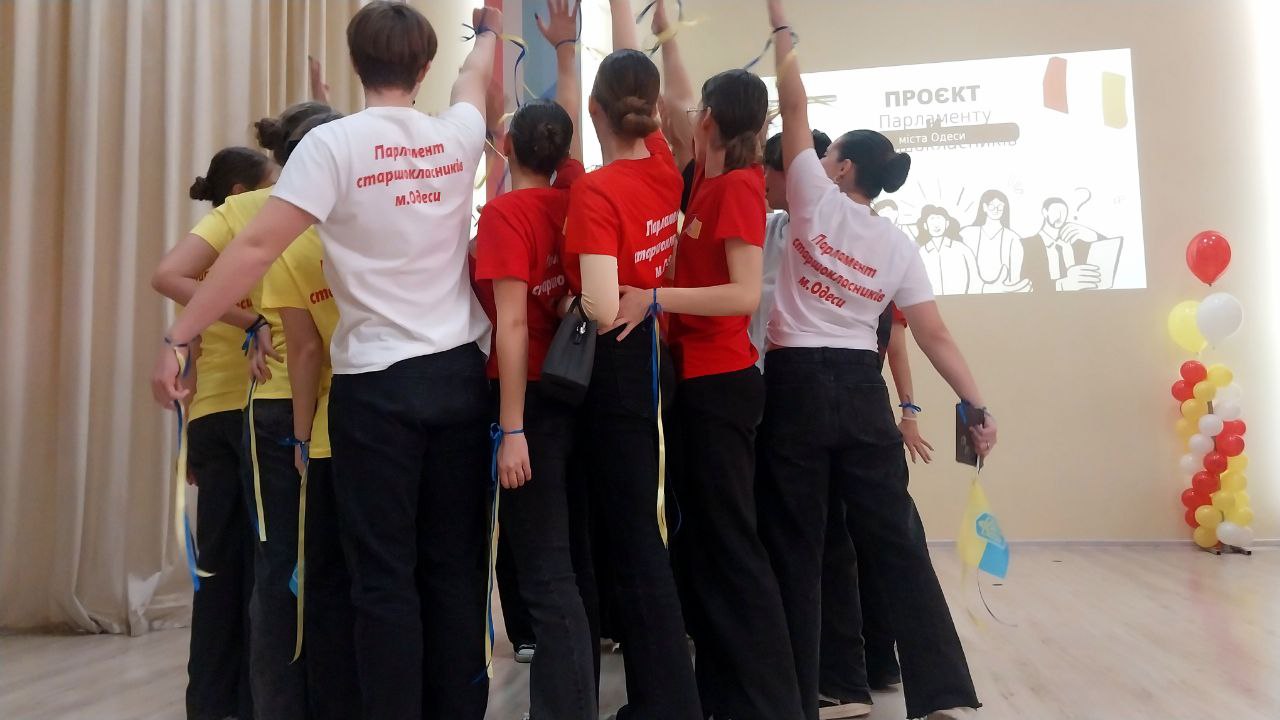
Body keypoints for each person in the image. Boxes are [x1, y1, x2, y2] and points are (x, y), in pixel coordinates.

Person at [151, 3, 502, 718]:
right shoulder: (457, 133)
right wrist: (491, 29)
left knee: (383, 579)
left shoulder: (332, 146)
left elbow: (255, 247)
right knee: (453, 570)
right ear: (424, 67)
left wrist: (179, 336)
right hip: (458, 378)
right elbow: (476, 74)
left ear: (356, 63)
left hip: (375, 388)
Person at [757, 3, 998, 720]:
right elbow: (934, 334)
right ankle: (942, 694)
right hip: (863, 393)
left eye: (829, 156)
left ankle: (812, 693)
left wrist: (780, 27)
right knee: (896, 543)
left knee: (798, 545)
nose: (819, 161)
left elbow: (793, 103)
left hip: (796, 389)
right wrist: (975, 405)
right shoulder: (898, 245)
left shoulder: (811, 200)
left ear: (843, 167)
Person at [610, 4, 801, 716]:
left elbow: (744, 294)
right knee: (707, 546)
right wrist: (656, 32)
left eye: (697, 115)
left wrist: (655, 296)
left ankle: (771, 702)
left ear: (712, 123)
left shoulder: (740, 189)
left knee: (733, 546)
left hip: (723, 385)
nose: (683, 116)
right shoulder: (705, 182)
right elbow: (673, 97)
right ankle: (725, 693)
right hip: (696, 382)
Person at [557, 4, 701, 716]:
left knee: (633, 540)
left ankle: (665, 703)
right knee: (640, 531)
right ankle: (661, 696)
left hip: (613, 369)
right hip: (646, 359)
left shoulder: (596, 189)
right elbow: (637, 77)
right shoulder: (664, 166)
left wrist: (566, 302)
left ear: (594, 110)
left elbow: (601, 303)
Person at [176, 100, 335, 720]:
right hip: (272, 407)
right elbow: (302, 338)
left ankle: (221, 701)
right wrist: (250, 322)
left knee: (237, 567)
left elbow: (180, 300)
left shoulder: (244, 218)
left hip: (234, 412)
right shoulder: (283, 212)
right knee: (279, 567)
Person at [474, 1, 597, 717]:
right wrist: (567, 49)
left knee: (545, 570)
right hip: (575, 394)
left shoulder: (505, 215)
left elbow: (513, 324)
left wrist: (512, 427)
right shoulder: (573, 192)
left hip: (529, 403)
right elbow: (567, 116)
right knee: (566, 563)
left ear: (506, 146)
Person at [152, 146, 275, 720]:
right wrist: (250, 318)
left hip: (211, 418)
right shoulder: (257, 236)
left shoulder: (208, 251)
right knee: (257, 566)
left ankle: (207, 701)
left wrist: (191, 439)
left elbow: (193, 347)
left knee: (218, 567)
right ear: (240, 194)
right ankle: (249, 701)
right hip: (251, 411)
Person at [258, 109, 362, 719]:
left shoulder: (288, 243)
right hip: (397, 420)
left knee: (321, 582)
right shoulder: (378, 219)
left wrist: (299, 438)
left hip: (327, 432)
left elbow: (303, 350)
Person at [1020, 197, 1104, 292]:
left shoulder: (1077, 243)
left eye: (1064, 211)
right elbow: (1026, 285)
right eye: (1055, 210)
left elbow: (1109, 251)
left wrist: (1095, 235)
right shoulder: (1026, 245)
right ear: (1045, 212)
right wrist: (1061, 285)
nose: (1060, 215)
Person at [959, 190, 1028, 292]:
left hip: (1003, 295)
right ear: (984, 207)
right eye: (992, 206)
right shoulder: (967, 234)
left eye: (1000, 206)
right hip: (972, 294)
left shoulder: (1013, 238)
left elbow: (1015, 277)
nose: (996, 210)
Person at [916, 205, 981, 296]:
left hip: (961, 301)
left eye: (939, 221)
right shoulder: (920, 253)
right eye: (932, 221)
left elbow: (975, 277)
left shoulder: (962, 249)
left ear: (947, 224)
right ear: (925, 225)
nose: (936, 225)